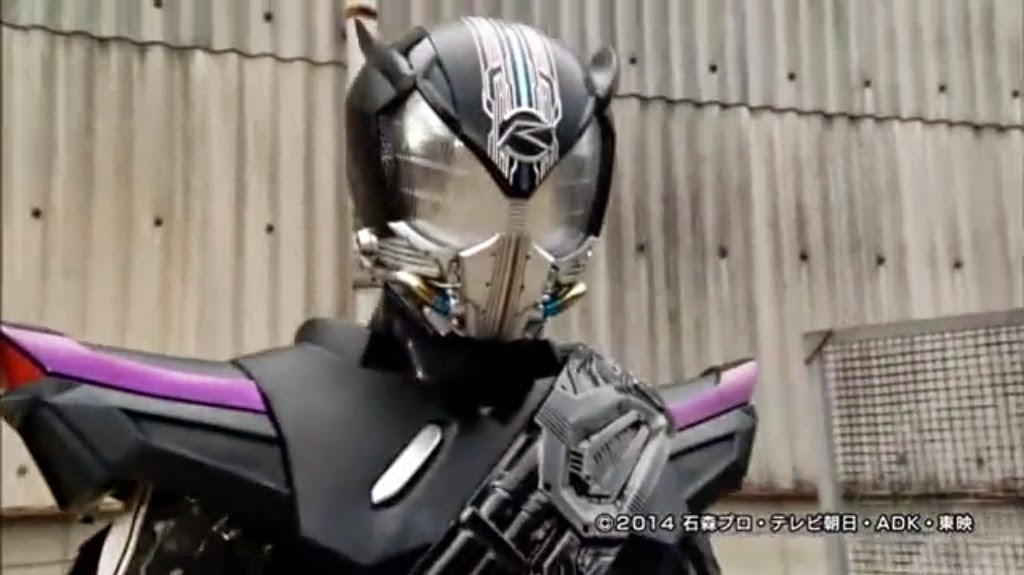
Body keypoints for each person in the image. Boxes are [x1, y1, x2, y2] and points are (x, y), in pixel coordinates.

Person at [3, 17, 755, 574]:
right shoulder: (266, 430)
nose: (510, 246)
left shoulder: (631, 444)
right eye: (461, 197)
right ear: (385, 182)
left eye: (550, 205)